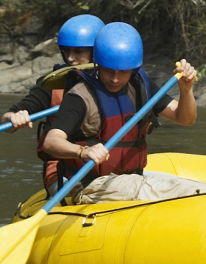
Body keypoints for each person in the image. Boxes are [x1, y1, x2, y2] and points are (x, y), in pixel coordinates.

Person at [38, 22, 197, 193]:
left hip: (130, 178)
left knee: (193, 187)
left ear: (134, 69)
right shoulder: (80, 96)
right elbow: (51, 141)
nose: (115, 79)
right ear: (97, 64)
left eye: (122, 72)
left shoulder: (141, 86)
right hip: (89, 185)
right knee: (185, 191)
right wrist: (83, 151)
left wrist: (186, 89)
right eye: (108, 70)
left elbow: (185, 119)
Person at [0, 13, 105, 130]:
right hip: (64, 146)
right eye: (66, 51)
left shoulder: (118, 80)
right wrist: (13, 118)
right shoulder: (52, 84)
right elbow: (7, 118)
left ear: (97, 51)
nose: (70, 58)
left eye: (78, 51)